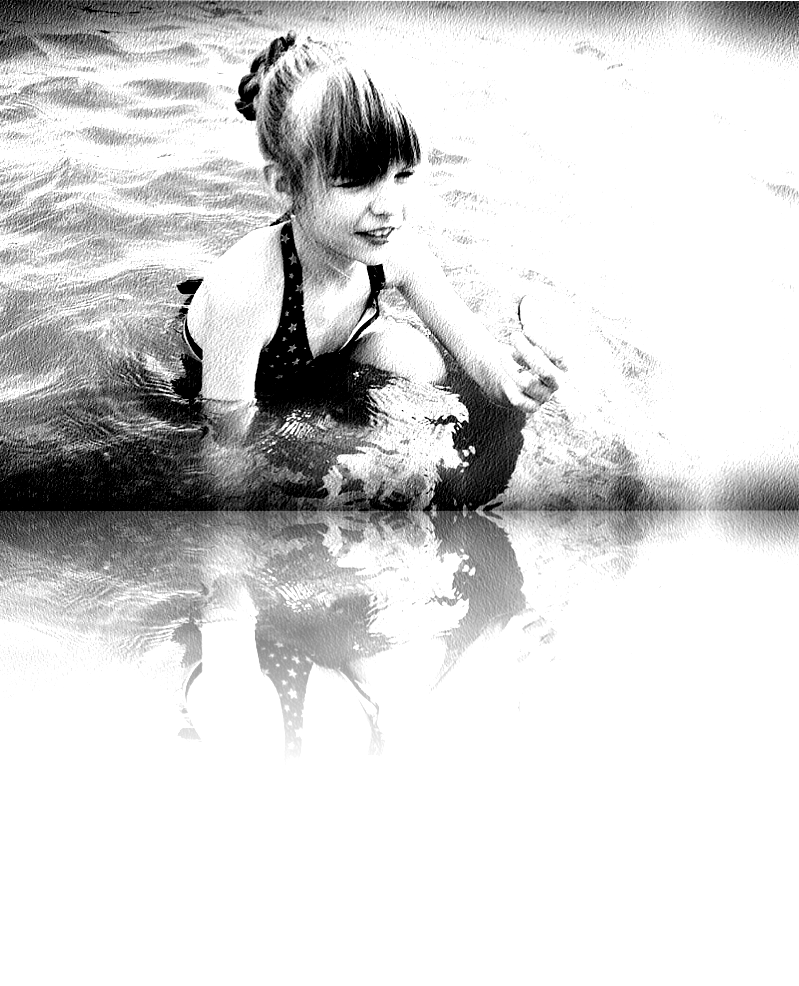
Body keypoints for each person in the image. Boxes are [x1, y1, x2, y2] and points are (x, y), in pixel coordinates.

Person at [180, 32, 565, 415]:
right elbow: (224, 437)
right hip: (235, 376)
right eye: (355, 181)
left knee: (418, 362)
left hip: (332, 354)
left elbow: (481, 357)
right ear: (285, 186)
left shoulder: (397, 250)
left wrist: (515, 383)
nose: (389, 208)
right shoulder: (247, 288)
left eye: (403, 175)